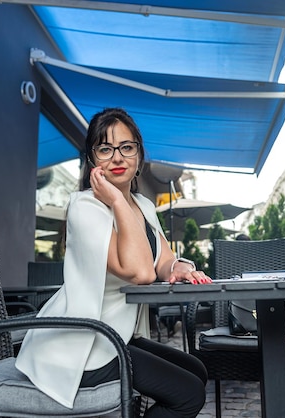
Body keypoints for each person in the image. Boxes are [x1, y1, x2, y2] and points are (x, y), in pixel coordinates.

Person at [16, 107, 212, 417]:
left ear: (138, 154)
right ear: (92, 159)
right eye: (105, 148)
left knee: (197, 370)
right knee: (188, 395)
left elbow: (163, 261)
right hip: (83, 344)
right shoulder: (85, 207)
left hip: (116, 335)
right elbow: (141, 272)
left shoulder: (144, 205)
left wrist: (179, 269)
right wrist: (117, 199)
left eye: (127, 147)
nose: (117, 157)